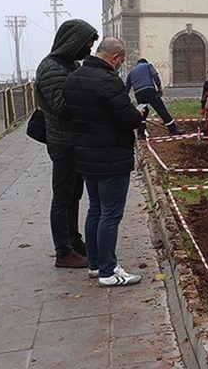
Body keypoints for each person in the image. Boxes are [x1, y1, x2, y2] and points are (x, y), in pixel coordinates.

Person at [62, 37, 145, 287]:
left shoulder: (74, 77)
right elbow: (128, 118)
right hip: (111, 157)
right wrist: (140, 113)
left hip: (86, 156)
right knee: (110, 215)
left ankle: (95, 264)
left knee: (95, 210)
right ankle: (109, 272)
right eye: (120, 61)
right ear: (116, 58)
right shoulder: (109, 82)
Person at [35, 19, 99, 268]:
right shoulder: (51, 69)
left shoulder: (69, 65)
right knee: (62, 196)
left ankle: (74, 240)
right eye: (88, 43)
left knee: (74, 194)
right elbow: (62, 107)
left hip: (75, 141)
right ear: (74, 42)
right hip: (63, 142)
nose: (90, 48)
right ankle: (63, 250)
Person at [126, 58, 181, 138]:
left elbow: (126, 87)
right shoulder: (148, 65)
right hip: (150, 90)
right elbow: (155, 75)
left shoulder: (131, 72)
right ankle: (173, 130)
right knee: (161, 109)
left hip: (139, 93)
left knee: (143, 111)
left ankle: (140, 133)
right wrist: (159, 87)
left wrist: (125, 99)